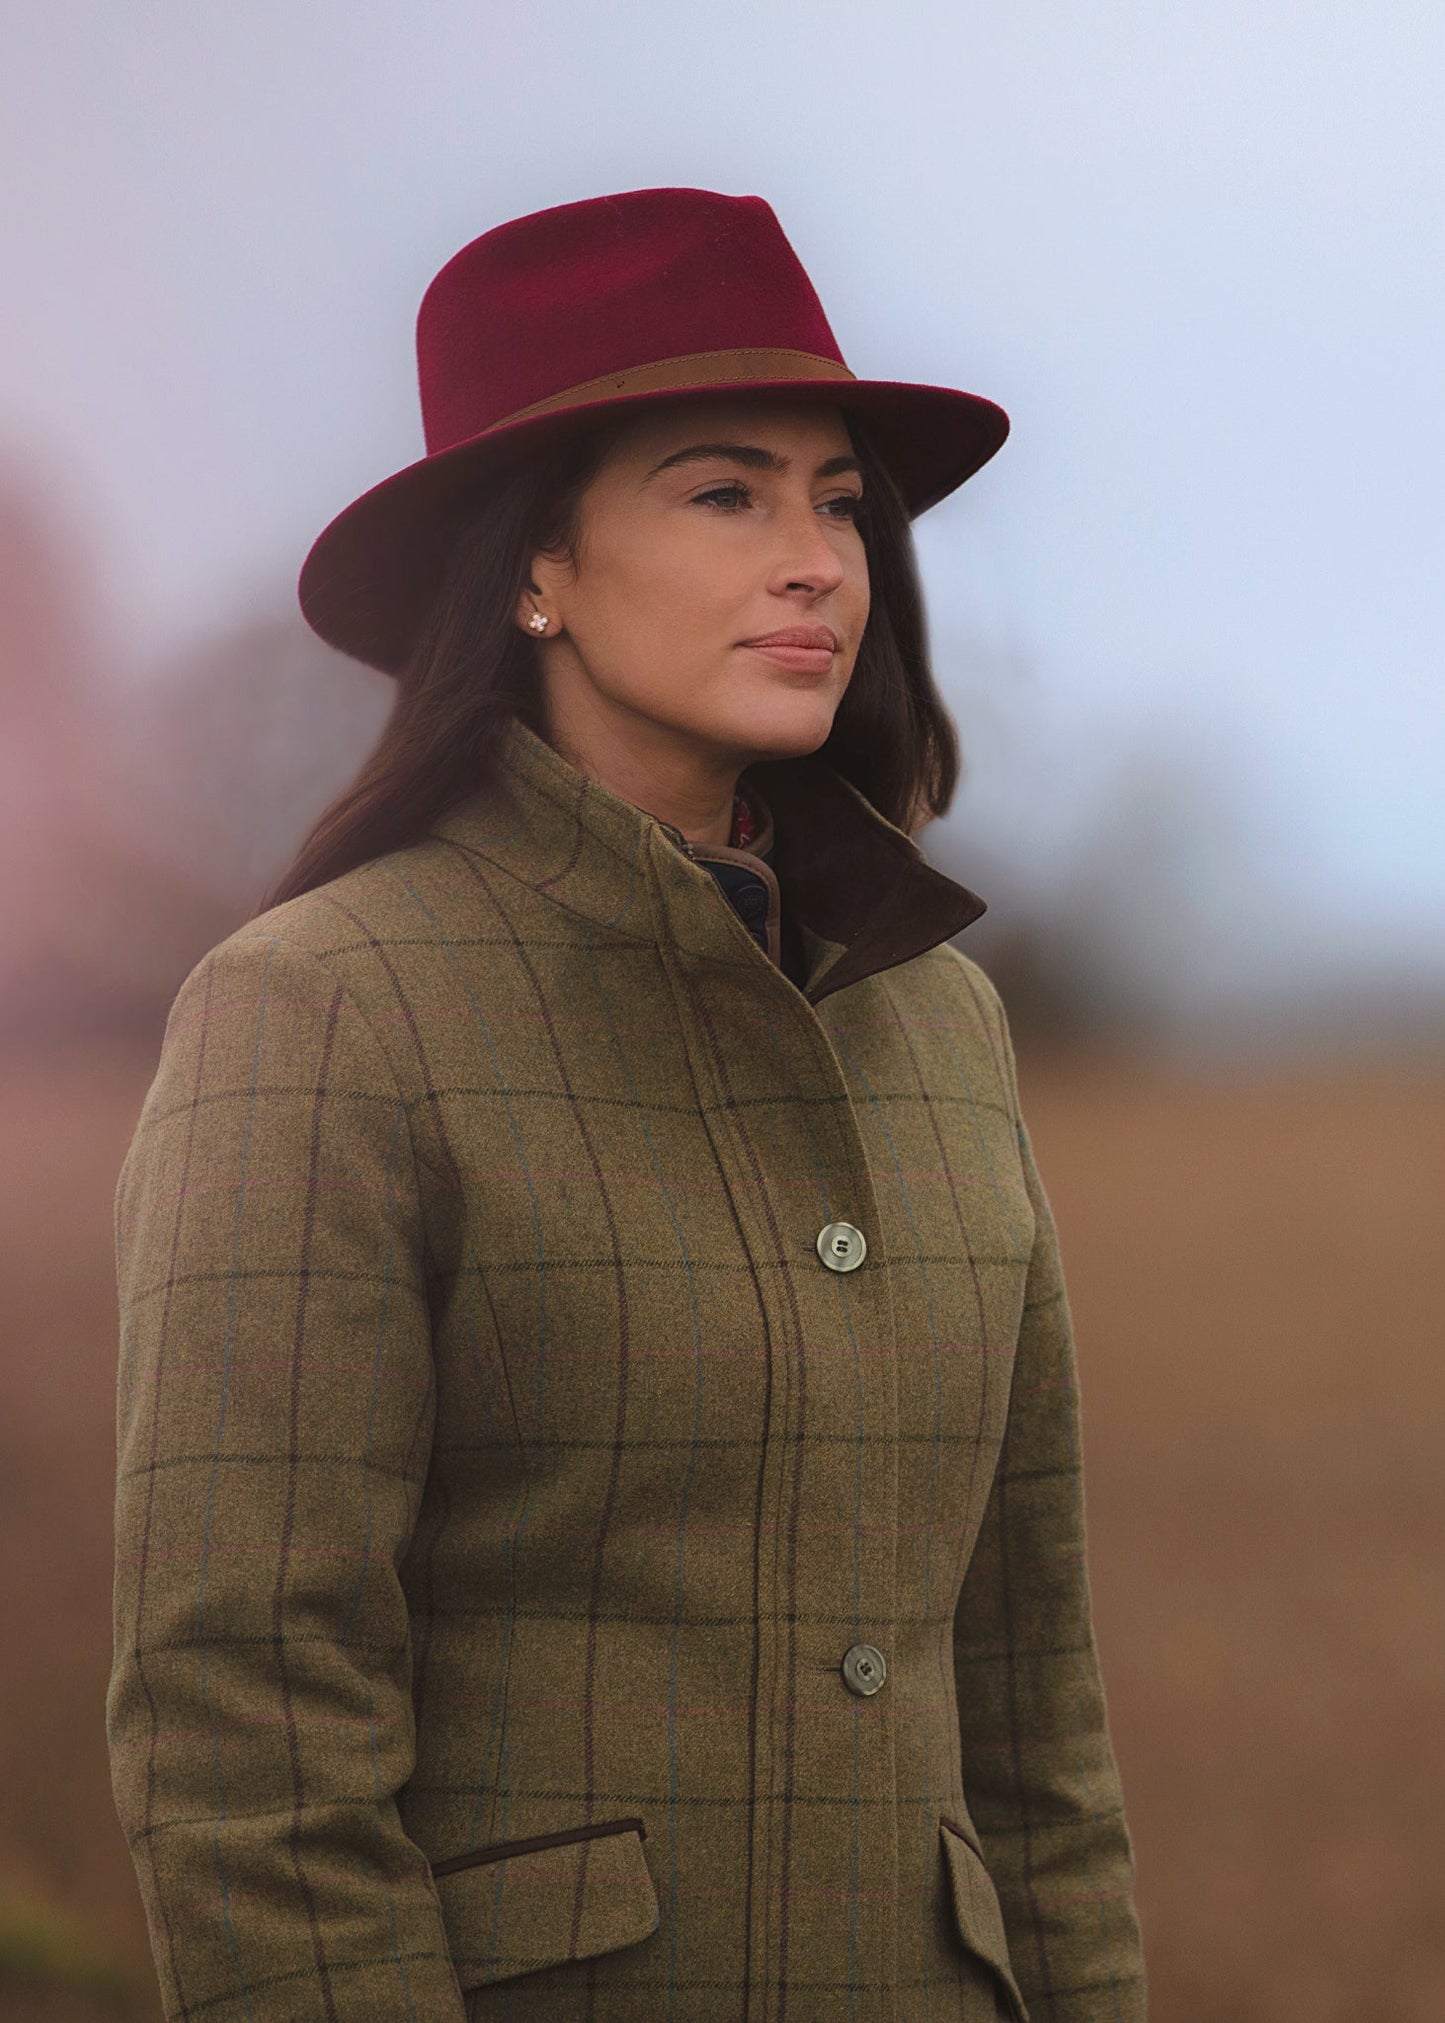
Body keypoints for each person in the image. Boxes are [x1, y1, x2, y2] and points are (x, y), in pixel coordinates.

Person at [108, 186, 1146, 2022]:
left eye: (838, 501)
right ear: (535, 571)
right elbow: (247, 1726)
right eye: (724, 490)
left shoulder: (943, 1028)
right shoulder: (320, 1013)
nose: (819, 557)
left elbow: (1027, 1694)